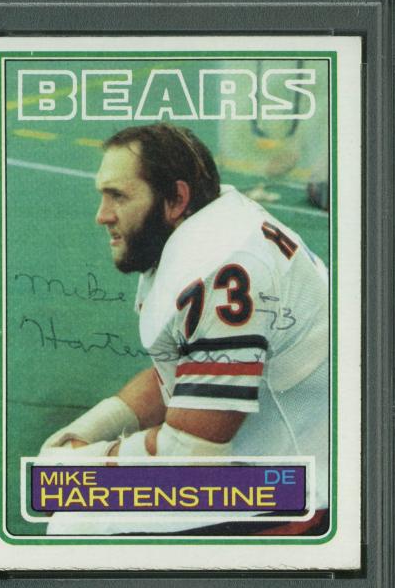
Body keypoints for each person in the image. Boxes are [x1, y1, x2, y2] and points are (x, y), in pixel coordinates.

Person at [40, 124, 329, 536]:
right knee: (63, 491)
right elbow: (180, 372)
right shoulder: (208, 226)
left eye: (118, 196)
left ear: (176, 199)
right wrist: (85, 432)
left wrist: (89, 463)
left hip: (300, 482)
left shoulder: (221, 270)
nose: (102, 214)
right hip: (277, 446)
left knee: (74, 524)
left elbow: (193, 452)